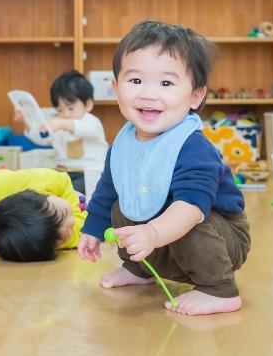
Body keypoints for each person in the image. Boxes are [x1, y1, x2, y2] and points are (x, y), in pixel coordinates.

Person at [78, 21, 250, 316]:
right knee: (122, 205)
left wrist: (153, 234)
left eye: (166, 84)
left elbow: (191, 208)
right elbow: (108, 188)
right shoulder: (123, 143)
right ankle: (138, 269)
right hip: (163, 240)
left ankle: (219, 289)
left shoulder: (192, 147)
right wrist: (93, 229)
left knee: (188, 217)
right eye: (135, 81)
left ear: (195, 96)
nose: (148, 94)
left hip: (219, 239)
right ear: (116, 88)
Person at [20, 70, 108, 194]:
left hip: (89, 174)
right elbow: (42, 139)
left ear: (87, 105)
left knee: (69, 191)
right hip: (63, 172)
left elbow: (84, 129)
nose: (65, 114)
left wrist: (61, 123)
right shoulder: (59, 124)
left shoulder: (92, 122)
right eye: (60, 110)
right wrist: (27, 121)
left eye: (70, 108)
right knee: (41, 185)